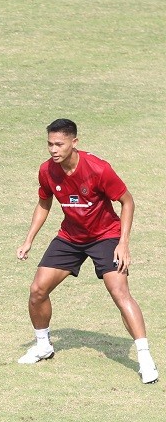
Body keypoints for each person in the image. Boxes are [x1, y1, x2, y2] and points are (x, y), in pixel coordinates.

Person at [16, 119, 158, 384]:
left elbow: (127, 202)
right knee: (37, 290)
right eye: (49, 144)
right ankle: (43, 345)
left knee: (119, 292)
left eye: (59, 144)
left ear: (74, 143)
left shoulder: (98, 169)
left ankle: (144, 357)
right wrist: (29, 240)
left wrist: (123, 243)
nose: (53, 150)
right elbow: (43, 203)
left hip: (105, 236)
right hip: (70, 236)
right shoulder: (47, 171)